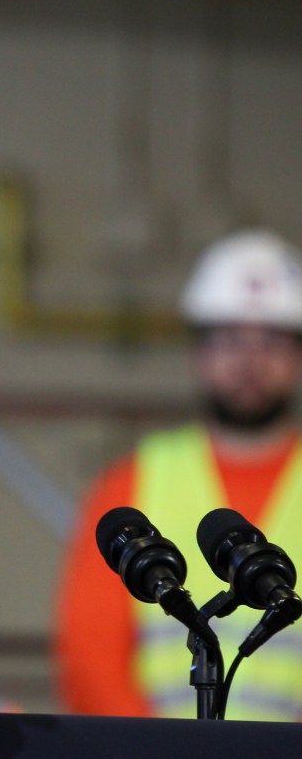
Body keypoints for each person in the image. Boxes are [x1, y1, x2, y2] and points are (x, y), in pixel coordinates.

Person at [55, 229, 302, 721]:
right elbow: (91, 664)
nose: (250, 362)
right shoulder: (129, 485)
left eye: (270, 342)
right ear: (200, 352)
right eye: (230, 340)